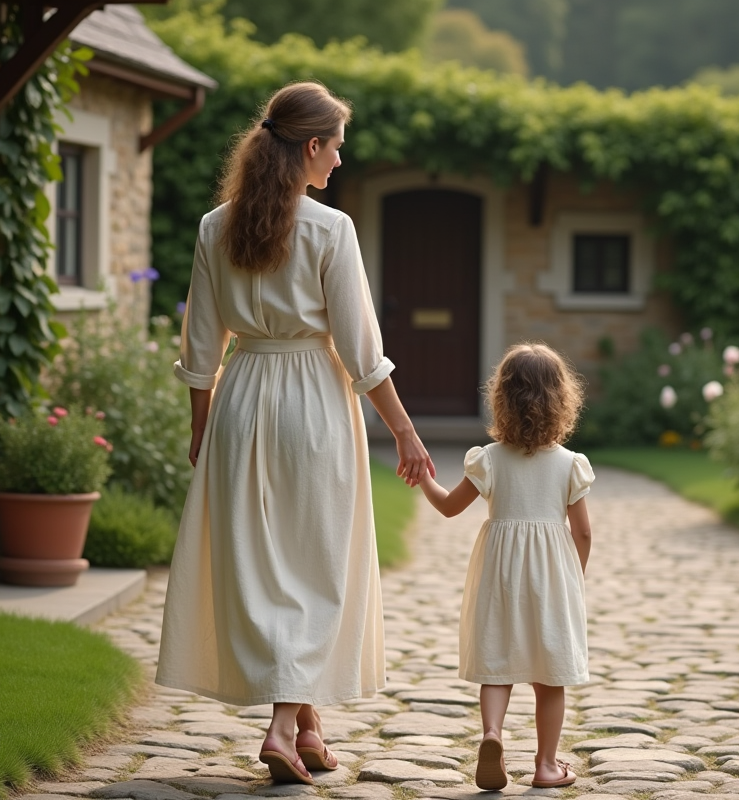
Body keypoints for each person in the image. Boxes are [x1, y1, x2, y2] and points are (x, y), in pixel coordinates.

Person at [156, 81, 434, 786]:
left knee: (266, 568)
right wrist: (405, 432)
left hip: (241, 400)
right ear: (311, 146)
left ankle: (308, 725)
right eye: (336, 147)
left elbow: (199, 346)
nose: (339, 161)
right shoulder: (329, 230)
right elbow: (362, 354)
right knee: (315, 567)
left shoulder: (214, 227)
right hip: (313, 403)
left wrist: (201, 426)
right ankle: (285, 726)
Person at [416, 343, 594, 790]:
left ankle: (493, 734)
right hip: (551, 578)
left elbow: (450, 508)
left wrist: (424, 481)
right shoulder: (570, 465)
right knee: (550, 676)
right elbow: (584, 534)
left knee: (498, 663)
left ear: (502, 398)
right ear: (561, 400)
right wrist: (575, 577)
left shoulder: (489, 459)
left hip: (500, 577)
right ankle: (546, 765)